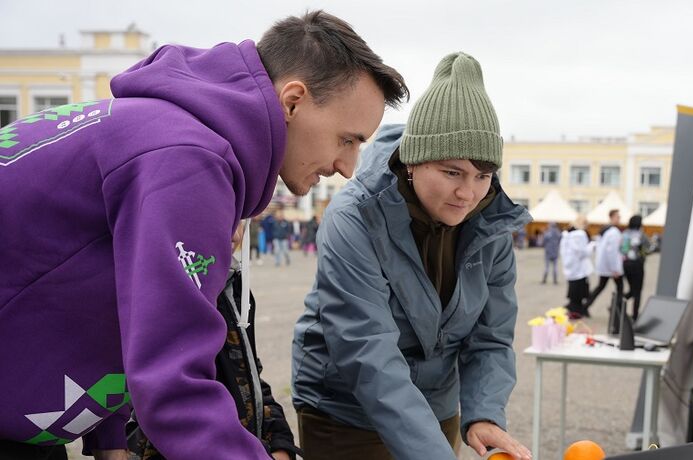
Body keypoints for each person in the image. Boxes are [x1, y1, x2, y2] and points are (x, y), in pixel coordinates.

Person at [0, 10, 407, 459]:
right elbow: (174, 381)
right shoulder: (187, 162)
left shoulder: (161, 133)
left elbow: (103, 287)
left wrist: (108, 435)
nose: (347, 168)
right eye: (347, 140)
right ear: (292, 101)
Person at [291, 52, 532, 460]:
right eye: (452, 172)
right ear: (412, 163)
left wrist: (483, 413)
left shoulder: (491, 223)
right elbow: (366, 349)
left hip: (438, 406)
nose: (468, 193)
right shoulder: (355, 217)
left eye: (482, 175)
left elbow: (490, 337)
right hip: (346, 411)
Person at [127, 227, 301, 460]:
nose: (236, 234)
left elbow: (250, 377)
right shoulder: (159, 290)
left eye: (242, 219)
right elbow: (162, 404)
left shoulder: (231, 282)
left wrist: (281, 446)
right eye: (226, 212)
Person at [586, 209, 624, 310]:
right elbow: (611, 252)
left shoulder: (604, 230)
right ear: (612, 217)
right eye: (618, 217)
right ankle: (617, 308)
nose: (619, 219)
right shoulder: (613, 232)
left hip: (604, 265)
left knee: (601, 287)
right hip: (610, 267)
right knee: (619, 288)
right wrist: (614, 269)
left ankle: (586, 305)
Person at [560, 216, 594, 319]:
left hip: (570, 267)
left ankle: (574, 309)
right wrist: (592, 245)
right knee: (579, 292)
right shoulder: (580, 234)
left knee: (573, 290)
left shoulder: (567, 234)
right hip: (579, 269)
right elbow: (583, 252)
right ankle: (576, 311)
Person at [622, 214, 651, 320]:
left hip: (626, 265)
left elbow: (623, 250)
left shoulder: (625, 234)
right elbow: (647, 250)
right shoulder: (642, 235)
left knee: (632, 289)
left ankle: (618, 303)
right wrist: (641, 252)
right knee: (637, 291)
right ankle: (635, 315)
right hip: (637, 265)